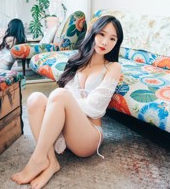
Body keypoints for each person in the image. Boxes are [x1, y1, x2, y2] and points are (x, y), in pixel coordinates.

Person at [11, 15, 124, 189]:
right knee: (35, 99)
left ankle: (37, 158)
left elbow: (95, 108)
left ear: (116, 43)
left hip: (89, 136)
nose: (105, 42)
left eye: (112, 38)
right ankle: (50, 162)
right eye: (102, 34)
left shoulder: (113, 67)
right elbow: (64, 101)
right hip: (66, 128)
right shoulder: (76, 62)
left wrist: (58, 106)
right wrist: (58, 106)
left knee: (59, 95)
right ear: (93, 33)